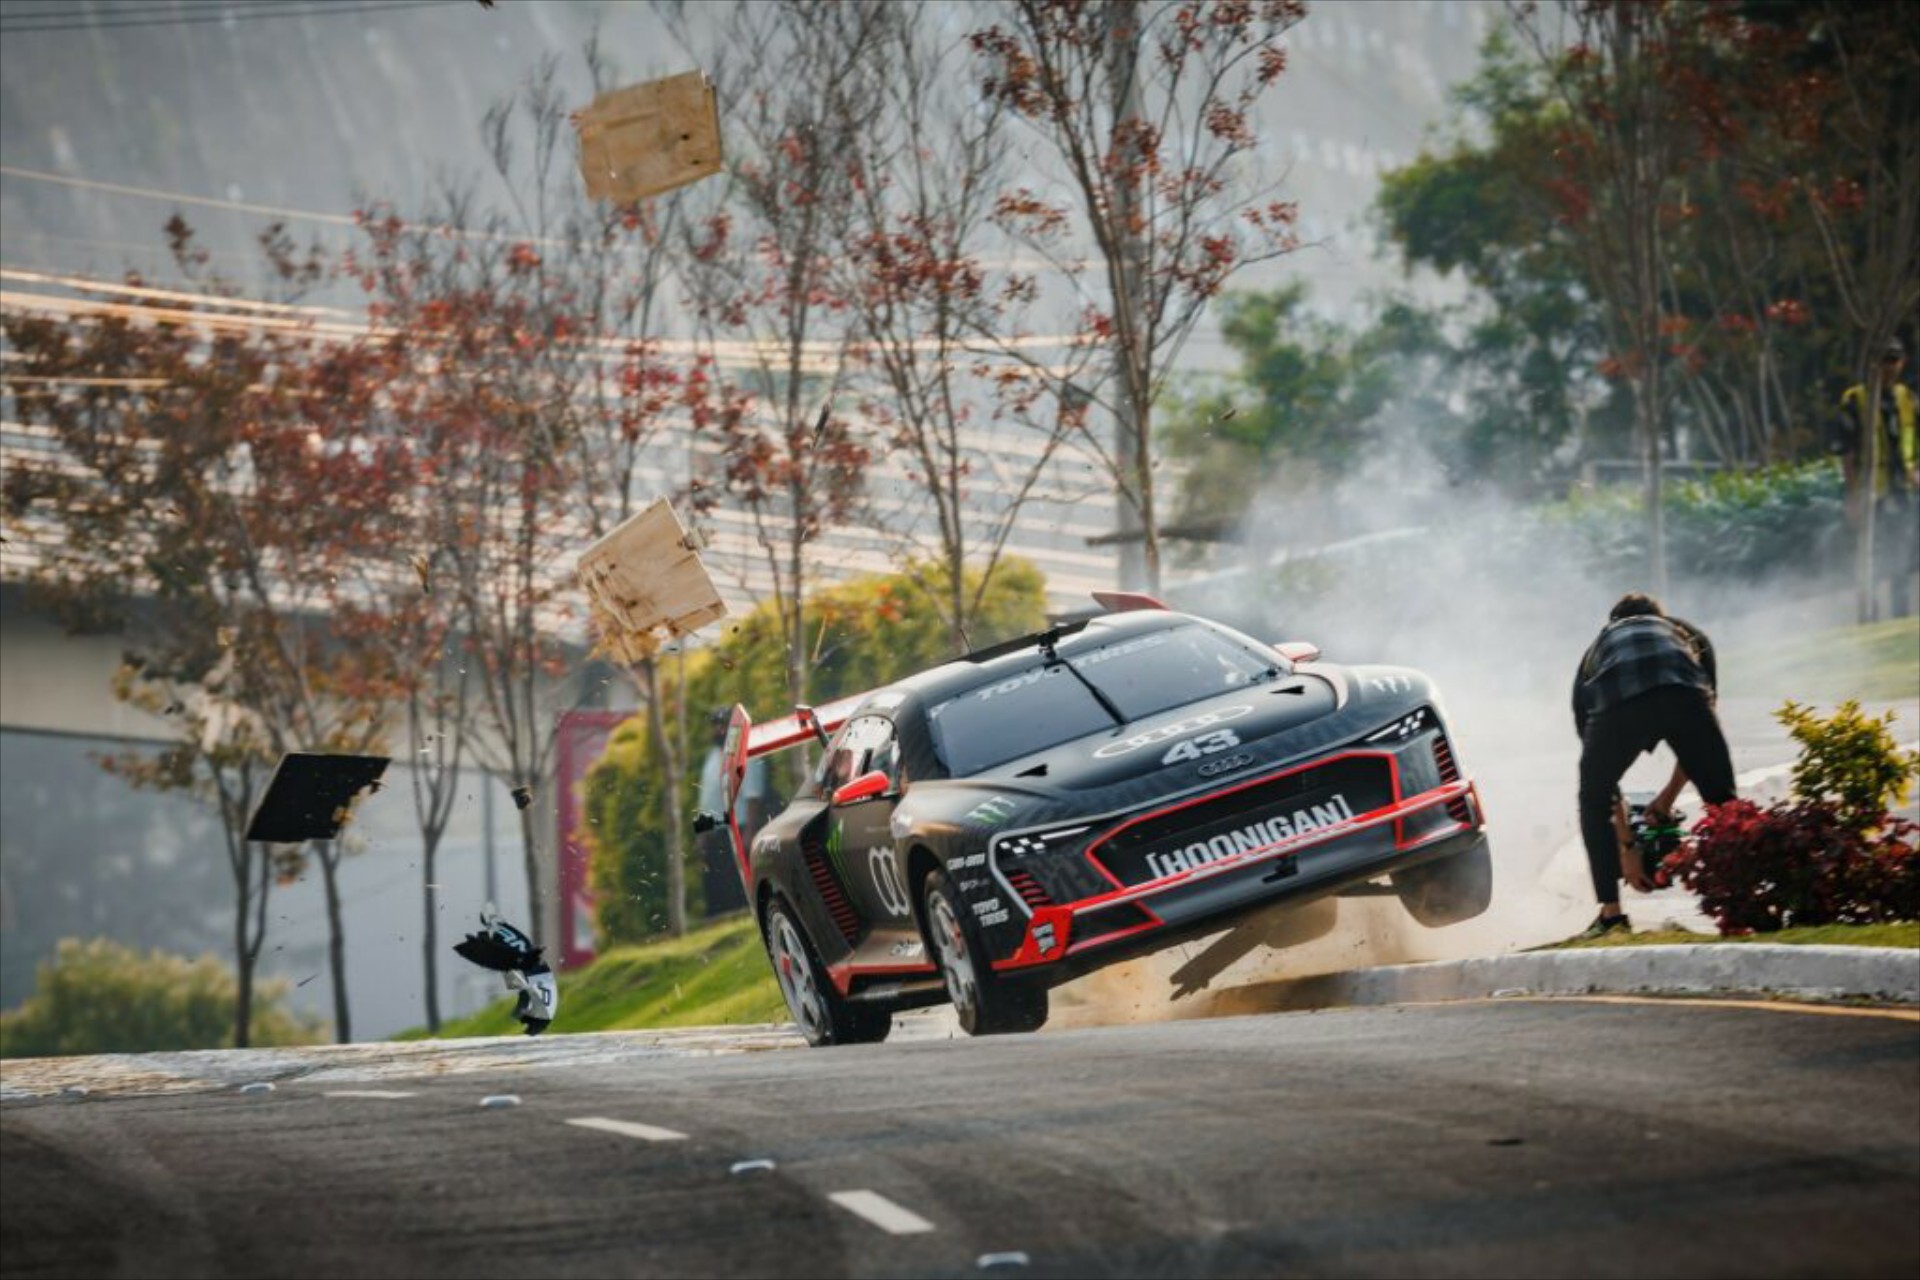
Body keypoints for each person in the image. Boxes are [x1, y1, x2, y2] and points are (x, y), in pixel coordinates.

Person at [1571, 593, 1737, 939]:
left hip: (1619, 705)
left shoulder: (1593, 656)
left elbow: (1602, 786)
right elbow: (1702, 731)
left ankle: (1611, 916)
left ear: (1612, 624)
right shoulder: (1687, 635)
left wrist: (1627, 847)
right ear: (1662, 618)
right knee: (1723, 801)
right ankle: (1740, 904)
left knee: (1592, 800)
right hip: (1684, 696)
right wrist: (1666, 799)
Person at [1834, 339, 1919, 618]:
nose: (1888, 367)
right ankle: (1869, 614)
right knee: (1869, 557)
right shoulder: (1855, 400)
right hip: (1870, 491)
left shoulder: (1907, 398)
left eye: (1893, 360)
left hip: (1902, 489)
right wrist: (1853, 495)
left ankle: (1900, 614)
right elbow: (1845, 451)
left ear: (1902, 362)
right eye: (1883, 361)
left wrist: (1915, 471)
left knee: (1901, 555)